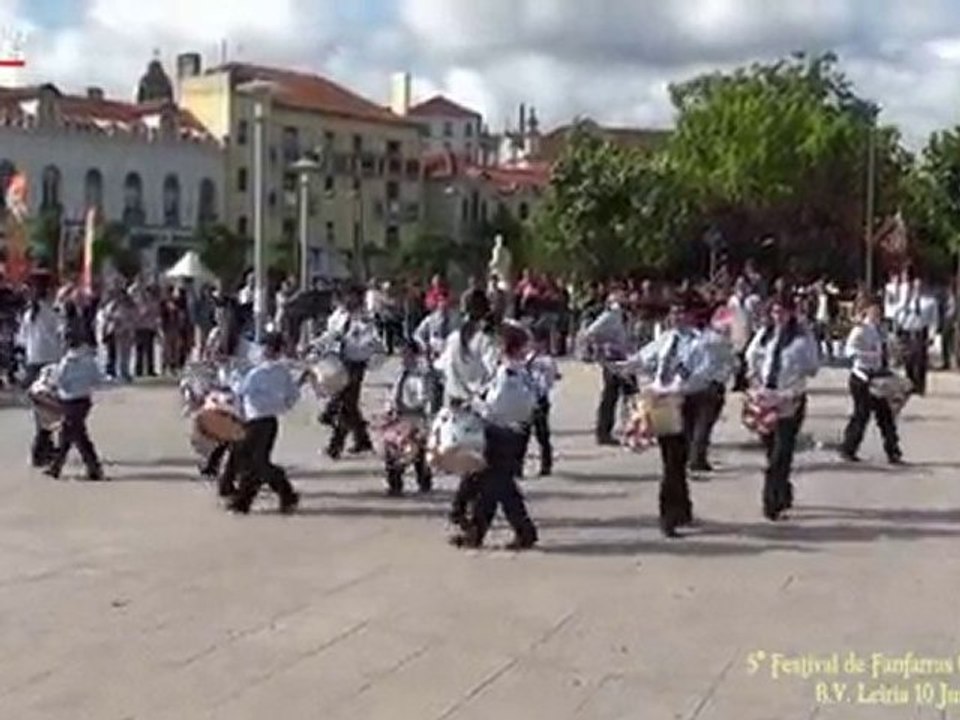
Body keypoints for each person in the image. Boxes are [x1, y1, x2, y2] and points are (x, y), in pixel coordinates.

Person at [615, 294, 710, 537]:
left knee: (675, 460)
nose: (676, 317)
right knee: (671, 459)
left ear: (691, 315)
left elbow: (701, 374)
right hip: (661, 402)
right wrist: (625, 364)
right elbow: (645, 358)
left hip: (685, 402)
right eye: (673, 312)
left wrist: (680, 387)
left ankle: (671, 513)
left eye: (681, 312)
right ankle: (678, 510)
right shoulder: (667, 338)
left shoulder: (700, 342)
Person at [451, 321, 538, 550]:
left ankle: (523, 532)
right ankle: (477, 533)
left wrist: (473, 404)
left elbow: (495, 407)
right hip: (512, 432)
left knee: (499, 487)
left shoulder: (508, 373)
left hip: (500, 434)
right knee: (494, 487)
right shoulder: (521, 371)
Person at [745, 295, 819, 521]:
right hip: (765, 398)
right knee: (771, 450)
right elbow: (751, 357)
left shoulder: (802, 338)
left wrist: (795, 372)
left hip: (789, 399)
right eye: (774, 312)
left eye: (782, 312)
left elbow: (813, 367)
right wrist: (755, 379)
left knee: (781, 452)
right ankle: (783, 489)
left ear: (791, 313)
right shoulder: (764, 335)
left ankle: (771, 502)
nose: (778, 316)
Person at [435, 288, 500, 530]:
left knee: (474, 460)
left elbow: (441, 369)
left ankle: (464, 509)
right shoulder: (485, 340)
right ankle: (461, 508)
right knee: (482, 462)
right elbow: (494, 372)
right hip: (476, 405)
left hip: (454, 403)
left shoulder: (454, 338)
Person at [226, 332, 300, 514]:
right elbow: (293, 396)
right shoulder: (283, 372)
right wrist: (281, 406)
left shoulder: (258, 372)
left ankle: (285, 492)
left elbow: (240, 389)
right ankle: (243, 502)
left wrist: (230, 372)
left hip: (255, 421)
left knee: (256, 463)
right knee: (254, 463)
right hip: (270, 421)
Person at [840, 298, 903, 465]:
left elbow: (887, 350)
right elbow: (849, 351)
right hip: (862, 377)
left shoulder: (881, 330)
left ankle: (893, 452)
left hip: (878, 377)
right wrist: (868, 355)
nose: (877, 314)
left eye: (879, 311)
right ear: (866, 311)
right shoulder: (860, 330)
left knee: (885, 416)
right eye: (873, 311)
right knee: (861, 414)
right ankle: (848, 448)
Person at [325, 285, 377, 459]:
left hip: (355, 363)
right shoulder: (338, 315)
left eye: (352, 297)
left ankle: (335, 446)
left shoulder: (365, 320)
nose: (348, 300)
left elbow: (368, 344)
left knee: (346, 403)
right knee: (349, 405)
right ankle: (362, 439)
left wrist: (348, 342)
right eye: (347, 296)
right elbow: (329, 334)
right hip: (338, 362)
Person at [44, 331, 104, 481]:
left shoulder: (66, 362)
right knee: (69, 434)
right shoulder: (89, 360)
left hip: (69, 400)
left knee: (78, 436)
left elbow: (59, 381)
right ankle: (56, 466)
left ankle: (94, 468)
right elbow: (97, 379)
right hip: (84, 399)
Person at [18, 279, 62, 467]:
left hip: (33, 362)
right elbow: (61, 336)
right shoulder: (52, 313)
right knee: (51, 407)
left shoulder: (29, 313)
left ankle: (46, 447)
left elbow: (22, 340)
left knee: (41, 408)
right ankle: (40, 449)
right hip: (49, 361)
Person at [581, 291, 634, 445]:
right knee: (613, 395)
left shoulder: (623, 315)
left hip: (624, 358)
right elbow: (589, 332)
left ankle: (625, 428)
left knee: (626, 393)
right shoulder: (612, 315)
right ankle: (605, 432)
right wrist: (603, 346)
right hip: (613, 359)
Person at [688, 306, 735, 473]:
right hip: (712, 385)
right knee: (704, 424)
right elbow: (731, 362)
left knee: (690, 422)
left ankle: (690, 455)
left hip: (690, 383)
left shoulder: (689, 339)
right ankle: (697, 458)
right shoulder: (719, 340)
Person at [384, 340, 432, 496]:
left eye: (407, 354)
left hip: (414, 416)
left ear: (415, 355)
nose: (404, 357)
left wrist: (414, 409)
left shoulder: (421, 375)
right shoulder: (399, 373)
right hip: (398, 416)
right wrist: (389, 408)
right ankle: (395, 485)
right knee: (392, 450)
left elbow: (424, 398)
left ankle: (424, 481)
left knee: (416, 451)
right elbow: (392, 393)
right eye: (402, 354)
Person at [523, 321, 560, 477]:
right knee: (523, 434)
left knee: (542, 434)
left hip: (540, 399)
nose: (531, 344)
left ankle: (546, 464)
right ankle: (517, 465)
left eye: (534, 340)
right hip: (525, 399)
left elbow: (548, 381)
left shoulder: (546, 361)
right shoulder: (526, 358)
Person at [414, 293, 458, 413]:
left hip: (449, 357)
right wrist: (424, 345)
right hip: (433, 355)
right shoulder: (430, 319)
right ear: (437, 304)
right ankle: (429, 404)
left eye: (447, 303)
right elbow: (417, 334)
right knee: (429, 379)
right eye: (441, 302)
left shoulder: (456, 320)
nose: (444, 305)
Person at [895, 278, 938, 396]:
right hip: (906, 332)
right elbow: (897, 314)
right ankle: (910, 384)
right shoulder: (906, 301)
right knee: (908, 360)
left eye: (919, 287)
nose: (917, 289)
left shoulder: (930, 302)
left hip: (920, 333)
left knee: (920, 361)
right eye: (915, 287)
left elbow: (934, 319)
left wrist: (932, 334)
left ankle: (920, 386)